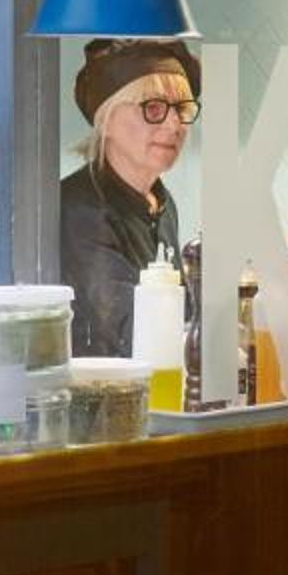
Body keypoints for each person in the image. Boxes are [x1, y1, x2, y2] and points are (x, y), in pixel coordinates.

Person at [60, 38, 200, 358]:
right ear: (106, 119)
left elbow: (179, 315)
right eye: (153, 108)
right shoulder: (81, 210)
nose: (174, 124)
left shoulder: (162, 203)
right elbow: (129, 331)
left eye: (181, 109)